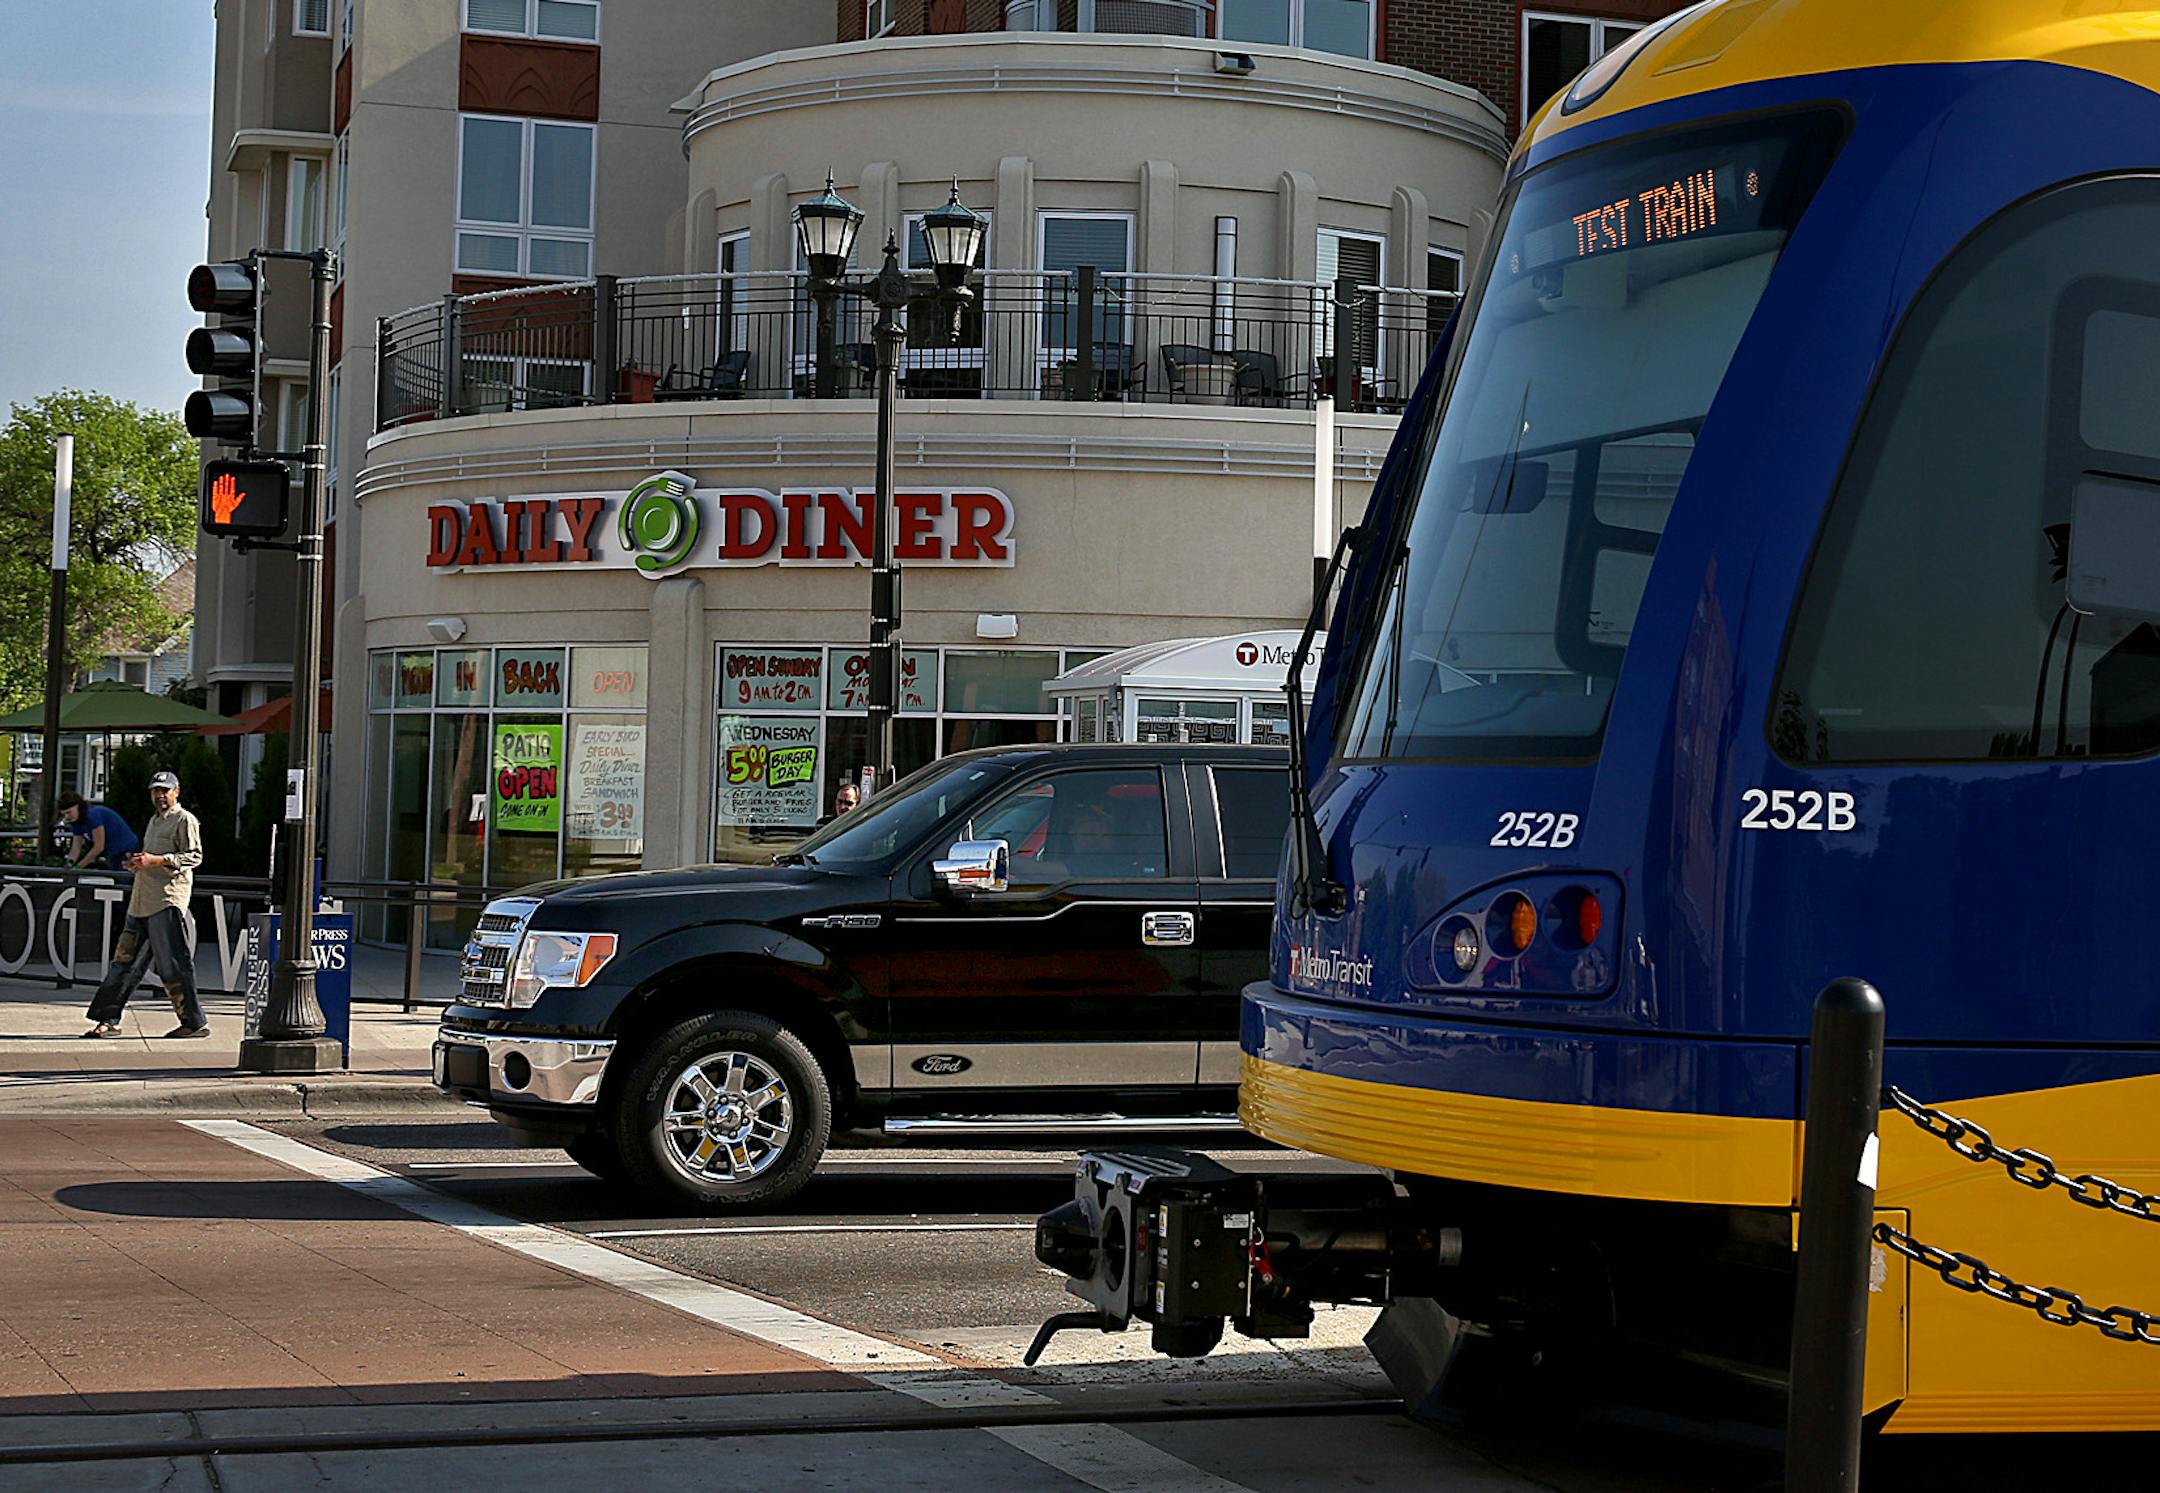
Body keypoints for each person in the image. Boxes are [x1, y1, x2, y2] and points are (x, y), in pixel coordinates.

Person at [81, 771, 209, 1039]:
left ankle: (193, 1022)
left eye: (165, 790)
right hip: (141, 900)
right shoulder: (154, 820)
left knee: (173, 964)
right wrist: (138, 864)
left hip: (166, 900)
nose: (160, 795)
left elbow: (194, 857)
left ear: (177, 792)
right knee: (123, 962)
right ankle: (107, 1019)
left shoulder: (184, 820)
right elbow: (152, 858)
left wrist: (157, 861)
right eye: (155, 790)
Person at [58, 792, 141, 871]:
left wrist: (79, 867)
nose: (67, 816)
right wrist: (68, 865)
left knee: (123, 881)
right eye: (64, 814)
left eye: (69, 812)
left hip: (127, 849)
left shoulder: (92, 815)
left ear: (78, 806)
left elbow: (98, 847)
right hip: (113, 853)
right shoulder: (76, 822)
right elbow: (76, 847)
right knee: (116, 879)